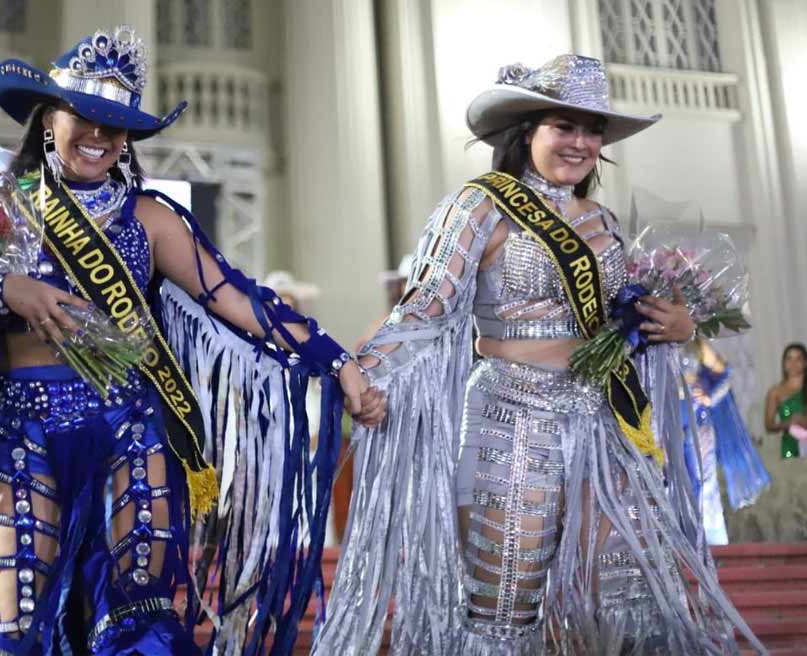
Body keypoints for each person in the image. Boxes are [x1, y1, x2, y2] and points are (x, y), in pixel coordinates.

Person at [0, 25, 384, 656]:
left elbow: (238, 298)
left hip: (130, 429)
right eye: (83, 116)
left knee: (139, 614)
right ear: (48, 119)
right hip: (22, 430)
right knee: (14, 622)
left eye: (115, 126)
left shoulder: (151, 218)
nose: (98, 135)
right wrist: (4, 292)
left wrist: (338, 362)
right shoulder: (0, 208)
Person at [317, 55, 762, 655]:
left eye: (591, 130)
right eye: (564, 126)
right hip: (510, 419)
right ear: (528, 131)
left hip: (606, 428)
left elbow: (620, 324)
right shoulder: (478, 207)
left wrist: (678, 325)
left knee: (629, 599)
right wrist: (360, 377)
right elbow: (422, 313)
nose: (579, 143)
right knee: (504, 603)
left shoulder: (603, 220)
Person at [681, 338, 770, 545]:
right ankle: (683, 544)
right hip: (666, 423)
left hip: (698, 422)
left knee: (704, 482)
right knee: (673, 483)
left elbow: (724, 373)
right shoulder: (647, 337)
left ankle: (713, 544)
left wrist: (709, 397)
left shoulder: (694, 342)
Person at [764, 343, 807, 459]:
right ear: (784, 363)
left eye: (798, 359)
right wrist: (788, 423)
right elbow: (769, 426)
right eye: (789, 359)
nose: (793, 364)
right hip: (790, 449)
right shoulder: (775, 392)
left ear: (805, 363)